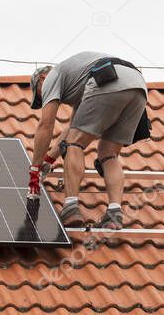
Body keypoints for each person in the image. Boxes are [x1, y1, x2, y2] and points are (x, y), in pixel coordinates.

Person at [27, 51, 149, 230]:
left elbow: (46, 125)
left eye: (39, 94)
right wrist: (49, 159)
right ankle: (114, 213)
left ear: (42, 79)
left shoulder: (52, 76)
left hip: (106, 79)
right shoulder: (80, 83)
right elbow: (72, 130)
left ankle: (70, 207)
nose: (43, 98)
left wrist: (35, 171)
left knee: (73, 146)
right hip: (137, 85)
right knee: (108, 153)